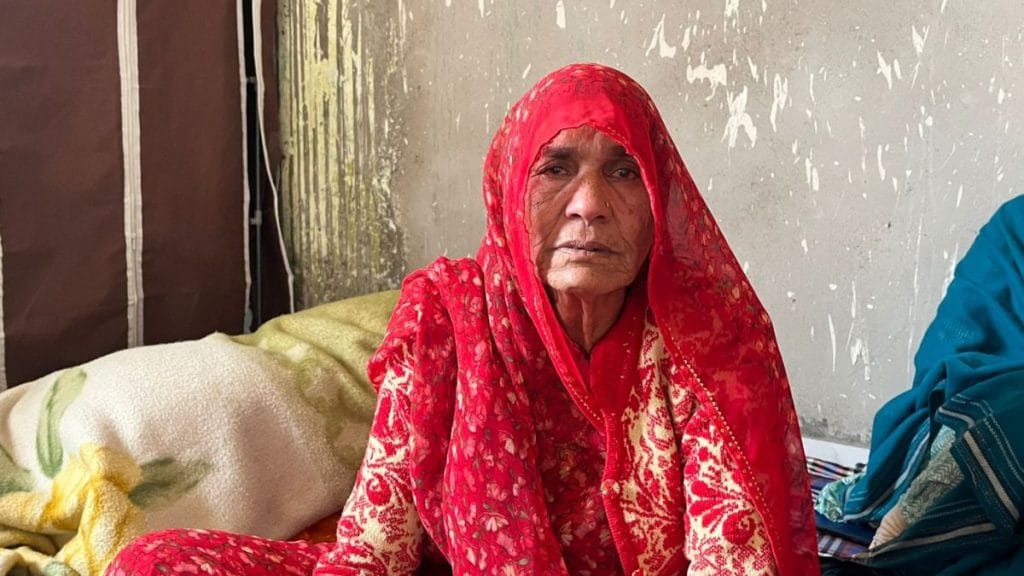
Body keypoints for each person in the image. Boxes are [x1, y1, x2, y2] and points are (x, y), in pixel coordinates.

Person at [107, 63, 819, 575]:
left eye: (623, 170)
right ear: (511, 193)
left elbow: (738, 559)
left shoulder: (709, 344)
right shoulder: (447, 320)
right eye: (556, 168)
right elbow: (376, 553)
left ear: (661, 199)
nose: (590, 205)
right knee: (155, 562)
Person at [816, 195, 1024, 576]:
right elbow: (952, 342)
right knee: (982, 428)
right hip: (972, 400)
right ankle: (905, 529)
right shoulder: (1014, 224)